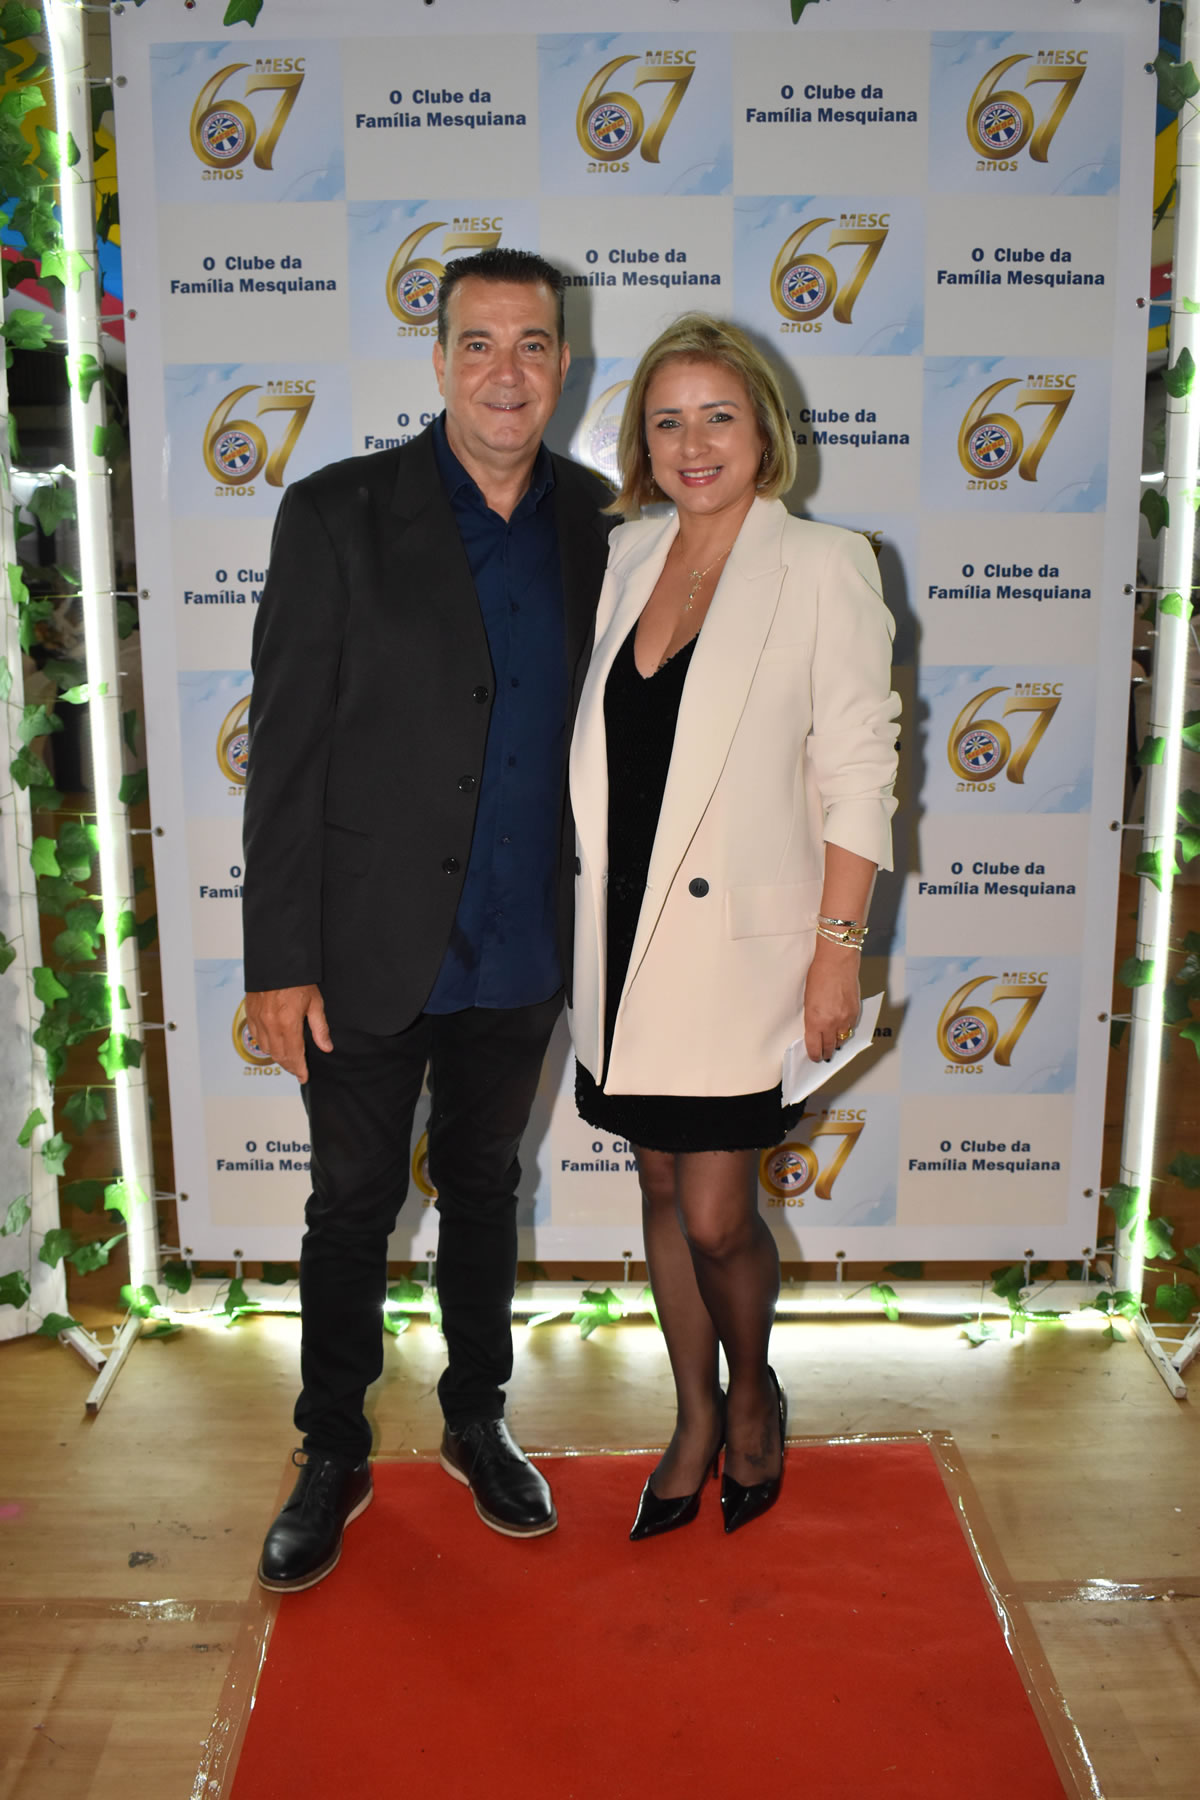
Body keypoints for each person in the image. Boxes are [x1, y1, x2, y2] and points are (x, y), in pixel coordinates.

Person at [241, 248, 613, 1590]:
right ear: (439, 358)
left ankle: (476, 1418)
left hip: (525, 937)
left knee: (484, 1188)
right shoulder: (336, 512)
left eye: (533, 344)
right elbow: (285, 753)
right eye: (479, 343)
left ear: (564, 363)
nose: (506, 371)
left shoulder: (604, 522)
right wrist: (278, 959)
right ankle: (331, 1447)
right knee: (351, 1204)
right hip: (362, 946)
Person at [568, 314, 900, 1538]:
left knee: (715, 1214)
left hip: (745, 952)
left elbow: (858, 775)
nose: (692, 442)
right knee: (659, 1182)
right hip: (621, 934)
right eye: (667, 420)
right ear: (641, 443)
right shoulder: (624, 556)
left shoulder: (823, 563)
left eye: (718, 416)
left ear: (764, 430)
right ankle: (694, 1416)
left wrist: (837, 954)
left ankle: (752, 1393)